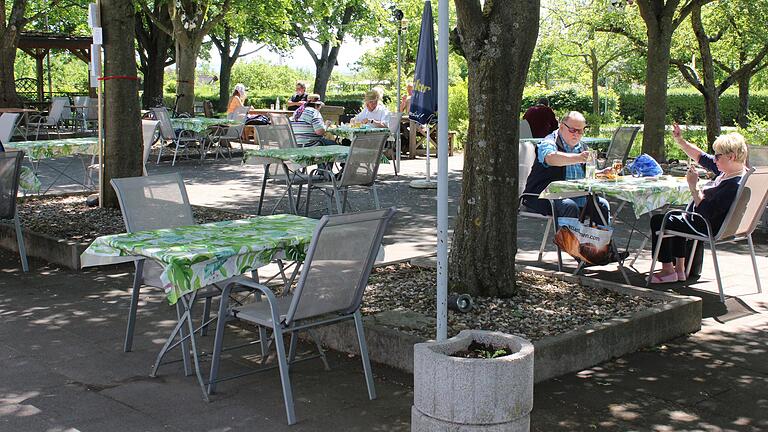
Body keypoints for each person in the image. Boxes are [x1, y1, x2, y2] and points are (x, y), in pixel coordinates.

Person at [649, 125, 748, 284]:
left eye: (718, 157)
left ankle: (668, 269)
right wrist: (680, 141)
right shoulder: (734, 173)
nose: (714, 160)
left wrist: (694, 187)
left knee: (659, 220)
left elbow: (705, 213)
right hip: (708, 222)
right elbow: (701, 157)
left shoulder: (732, 185)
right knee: (676, 216)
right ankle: (679, 270)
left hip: (706, 226)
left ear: (731, 156)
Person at [522, 111, 610, 223]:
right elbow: (551, 158)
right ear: (562, 127)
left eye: (581, 131)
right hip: (545, 196)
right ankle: (567, 240)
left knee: (602, 205)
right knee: (569, 206)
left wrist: (603, 173)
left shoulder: (582, 146)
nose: (577, 134)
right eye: (573, 130)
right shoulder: (549, 142)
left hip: (577, 195)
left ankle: (599, 240)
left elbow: (589, 174)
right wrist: (578, 158)